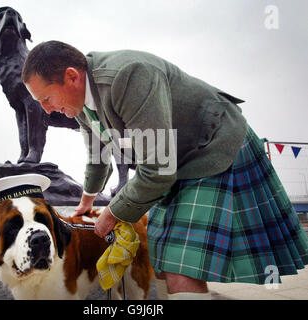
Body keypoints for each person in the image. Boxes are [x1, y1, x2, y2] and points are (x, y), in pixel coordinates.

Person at [22, 40, 308, 300]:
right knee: (164, 260)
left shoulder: (127, 77)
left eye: (45, 99)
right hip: (178, 163)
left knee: (180, 264)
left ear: (72, 76)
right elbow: (99, 158)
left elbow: (158, 171)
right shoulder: (81, 106)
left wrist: (112, 213)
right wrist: (85, 204)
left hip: (212, 145)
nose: (46, 111)